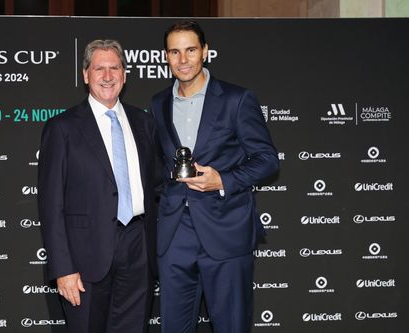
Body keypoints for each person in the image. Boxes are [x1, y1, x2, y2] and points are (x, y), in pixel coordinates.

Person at [151, 21, 279, 333]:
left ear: (205, 52)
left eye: (190, 50)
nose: (183, 59)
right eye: (175, 52)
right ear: (166, 57)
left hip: (225, 230)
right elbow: (156, 162)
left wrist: (222, 180)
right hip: (174, 234)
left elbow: (267, 160)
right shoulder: (158, 103)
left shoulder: (237, 99)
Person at [38, 39, 157, 333]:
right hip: (84, 257)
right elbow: (51, 205)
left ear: (125, 75)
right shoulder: (62, 127)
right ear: (85, 74)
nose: (107, 76)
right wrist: (63, 268)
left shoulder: (144, 123)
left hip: (138, 248)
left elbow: (156, 187)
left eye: (114, 68)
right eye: (99, 68)